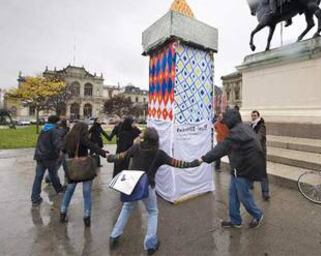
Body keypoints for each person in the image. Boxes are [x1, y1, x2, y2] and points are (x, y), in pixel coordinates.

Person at [107, 127, 200, 255]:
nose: (140, 134)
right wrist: (193, 163)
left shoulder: (136, 147)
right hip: (147, 186)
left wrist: (110, 157)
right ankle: (150, 244)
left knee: (127, 208)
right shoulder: (159, 153)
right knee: (153, 212)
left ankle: (114, 236)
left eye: (142, 134)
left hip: (132, 184)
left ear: (145, 138)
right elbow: (177, 163)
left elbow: (121, 156)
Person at [201, 108, 265, 229]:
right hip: (240, 167)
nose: (223, 124)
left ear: (230, 121)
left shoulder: (236, 133)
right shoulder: (244, 127)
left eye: (225, 122)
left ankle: (257, 214)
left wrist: (203, 158)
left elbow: (222, 148)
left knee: (243, 196)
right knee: (233, 194)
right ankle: (235, 220)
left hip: (245, 169)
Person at [59, 122, 108, 227]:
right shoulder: (83, 139)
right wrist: (104, 153)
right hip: (84, 167)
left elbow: (63, 150)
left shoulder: (68, 137)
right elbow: (93, 147)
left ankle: (63, 212)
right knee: (87, 193)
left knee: (69, 191)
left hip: (73, 169)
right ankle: (87, 216)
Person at [31, 115, 66, 206]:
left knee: (38, 177)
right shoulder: (54, 131)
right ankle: (59, 189)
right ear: (56, 122)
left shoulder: (44, 129)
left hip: (39, 156)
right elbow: (57, 143)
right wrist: (64, 149)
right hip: (50, 157)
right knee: (53, 174)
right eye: (59, 121)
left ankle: (35, 199)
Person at [250, 110, 270, 201]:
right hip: (252, 152)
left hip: (260, 152)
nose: (253, 117)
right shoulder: (251, 125)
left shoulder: (261, 125)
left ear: (258, 116)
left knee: (262, 172)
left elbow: (259, 137)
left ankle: (265, 192)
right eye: (252, 115)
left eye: (255, 115)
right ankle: (250, 184)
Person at [44, 117, 69, 184]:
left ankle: (49, 177)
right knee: (64, 163)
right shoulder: (62, 130)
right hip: (62, 149)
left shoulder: (58, 129)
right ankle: (49, 177)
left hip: (61, 149)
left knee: (61, 164)